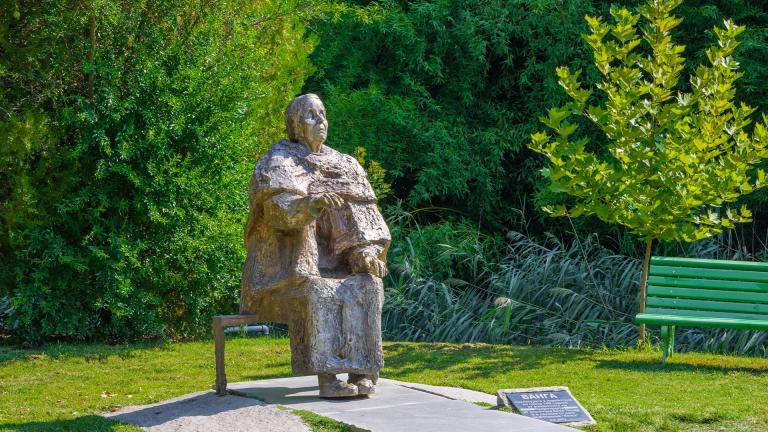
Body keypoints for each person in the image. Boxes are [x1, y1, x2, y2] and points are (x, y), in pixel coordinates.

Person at [240, 94, 390, 397]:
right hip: (291, 268)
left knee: (368, 285)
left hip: (340, 264)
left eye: (322, 113)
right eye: (310, 114)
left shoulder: (346, 164)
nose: (320, 120)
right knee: (319, 290)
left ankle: (362, 371)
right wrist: (308, 205)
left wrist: (365, 252)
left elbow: (367, 217)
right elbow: (277, 211)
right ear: (295, 125)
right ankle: (328, 377)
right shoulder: (279, 161)